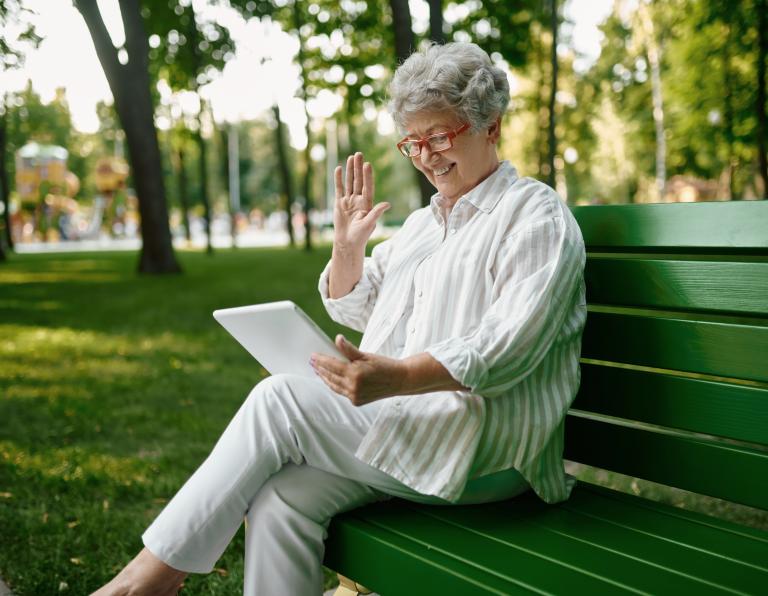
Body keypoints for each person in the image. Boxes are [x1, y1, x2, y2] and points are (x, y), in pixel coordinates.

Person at [92, 41, 586, 596]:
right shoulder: (427, 225)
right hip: (412, 430)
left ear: (490, 126)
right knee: (282, 498)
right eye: (413, 143)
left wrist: (398, 377)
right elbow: (361, 306)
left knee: (278, 400)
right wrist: (348, 249)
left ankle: (145, 582)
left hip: (490, 451)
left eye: (441, 137)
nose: (426, 156)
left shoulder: (535, 214)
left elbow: (509, 345)